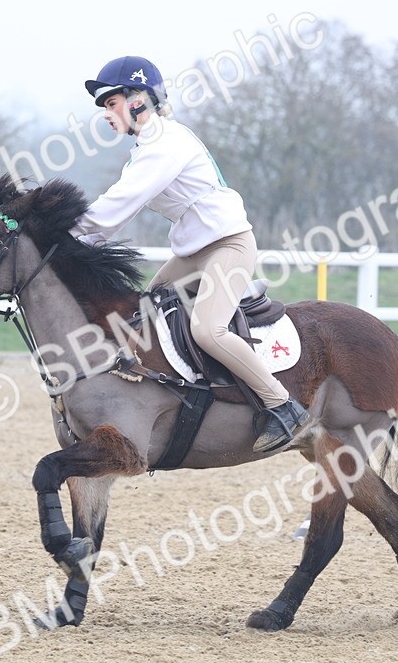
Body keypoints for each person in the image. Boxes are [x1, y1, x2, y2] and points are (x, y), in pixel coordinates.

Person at [70, 55, 308, 453]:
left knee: (207, 329)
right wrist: (78, 244)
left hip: (229, 246)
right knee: (141, 313)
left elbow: (117, 206)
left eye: (111, 103)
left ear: (138, 100)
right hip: (195, 252)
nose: (107, 115)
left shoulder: (165, 144)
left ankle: (283, 406)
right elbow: (110, 214)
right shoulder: (147, 147)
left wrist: (64, 236)